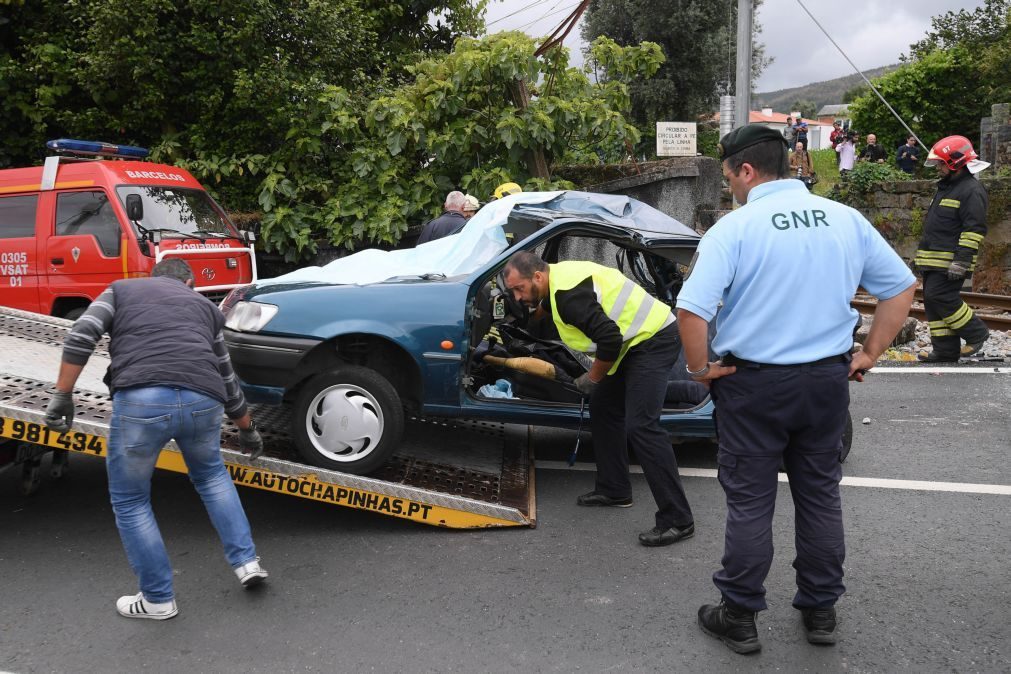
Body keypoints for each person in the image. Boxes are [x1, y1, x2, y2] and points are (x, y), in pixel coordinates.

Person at [675, 125, 916, 653]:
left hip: (753, 385)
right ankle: (821, 610)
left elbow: (691, 310)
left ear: (745, 171)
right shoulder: (844, 220)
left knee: (750, 502)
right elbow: (901, 287)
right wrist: (869, 353)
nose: (730, 188)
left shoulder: (734, 229)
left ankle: (738, 614)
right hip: (827, 381)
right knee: (820, 495)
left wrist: (700, 371)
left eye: (729, 177)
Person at [43, 259, 268, 621]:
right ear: (190, 283)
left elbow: (82, 333)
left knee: (131, 500)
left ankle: (158, 599)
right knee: (212, 477)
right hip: (202, 401)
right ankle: (247, 563)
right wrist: (246, 425)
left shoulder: (121, 290)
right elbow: (226, 375)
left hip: (142, 401)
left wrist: (62, 394)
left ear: (152, 278)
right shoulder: (206, 309)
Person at [502, 252, 694, 547]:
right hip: (631, 344)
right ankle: (615, 489)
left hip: (653, 338)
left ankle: (678, 519)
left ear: (538, 277)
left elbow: (609, 339)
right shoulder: (557, 283)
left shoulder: (567, 296)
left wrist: (592, 378)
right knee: (603, 407)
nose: (517, 296)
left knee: (642, 426)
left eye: (519, 288)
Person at [915, 135, 991, 362]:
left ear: (954, 163)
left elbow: (973, 230)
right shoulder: (946, 188)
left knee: (940, 296)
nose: (938, 167)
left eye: (941, 163)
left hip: (951, 261)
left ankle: (976, 332)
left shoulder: (971, 190)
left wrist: (962, 261)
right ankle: (945, 350)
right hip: (934, 260)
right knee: (931, 300)